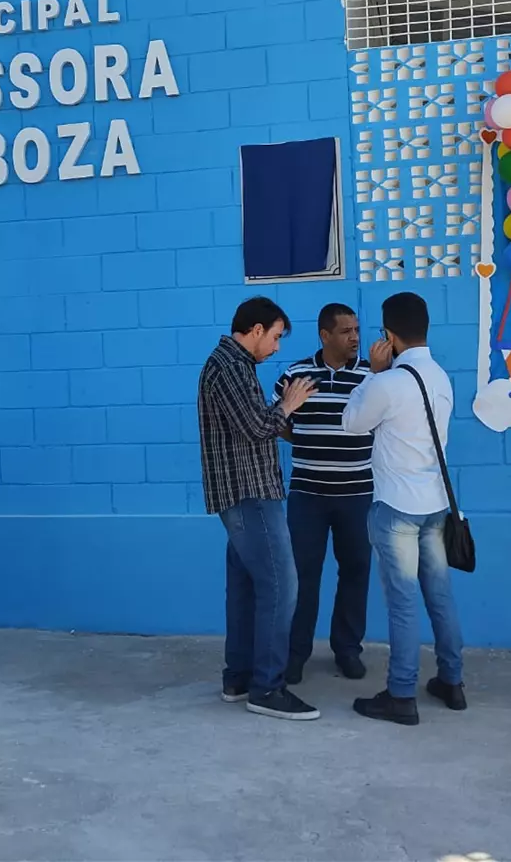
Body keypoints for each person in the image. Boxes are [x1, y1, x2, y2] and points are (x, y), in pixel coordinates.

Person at [341, 292, 465, 726]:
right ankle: (452, 682)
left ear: (389, 335)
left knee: (402, 603)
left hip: (396, 508)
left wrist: (372, 375)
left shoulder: (387, 381)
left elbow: (351, 423)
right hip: (436, 504)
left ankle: (401, 694)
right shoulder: (442, 377)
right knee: (440, 595)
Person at [197, 296, 319, 721]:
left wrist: (281, 408)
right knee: (282, 588)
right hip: (249, 496)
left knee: (247, 589)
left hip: (246, 495)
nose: (277, 347)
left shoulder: (234, 366)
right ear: (255, 330)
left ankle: (240, 677)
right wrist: (289, 404)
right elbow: (255, 428)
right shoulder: (229, 367)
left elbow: (253, 425)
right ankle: (267, 688)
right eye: (276, 336)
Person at [274, 303, 374, 684]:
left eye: (356, 330)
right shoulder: (296, 373)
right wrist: (307, 440)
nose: (354, 338)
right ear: (324, 335)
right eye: (346, 331)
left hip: (357, 495)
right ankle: (295, 654)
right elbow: (280, 419)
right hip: (308, 496)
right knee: (302, 576)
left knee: (355, 572)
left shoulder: (370, 375)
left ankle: (347, 650)